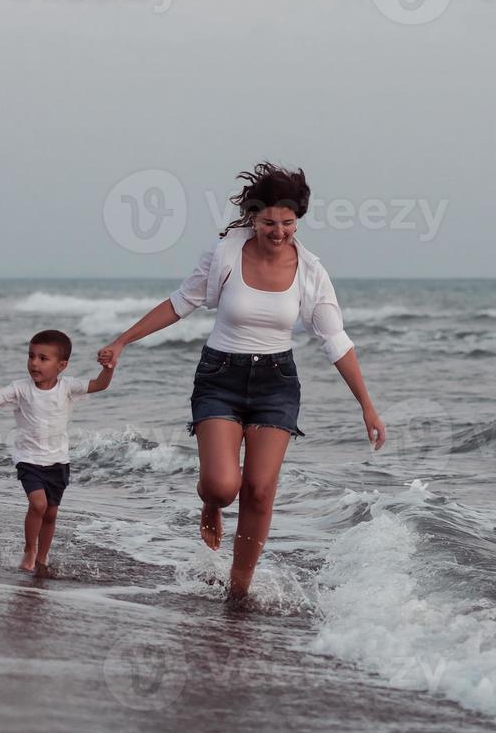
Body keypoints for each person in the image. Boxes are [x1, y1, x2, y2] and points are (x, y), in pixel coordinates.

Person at [97, 162, 386, 601]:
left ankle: (238, 590)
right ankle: (210, 504)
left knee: (259, 490)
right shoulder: (225, 254)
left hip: (277, 383)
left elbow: (336, 341)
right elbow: (180, 303)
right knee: (223, 486)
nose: (278, 231)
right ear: (253, 216)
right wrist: (122, 341)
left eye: (288, 223)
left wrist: (367, 404)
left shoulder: (310, 272)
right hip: (220, 377)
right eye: (269, 221)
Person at [0, 329, 116, 573]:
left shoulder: (67, 387)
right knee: (38, 505)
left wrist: (108, 369)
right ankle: (29, 550)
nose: (34, 363)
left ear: (61, 365)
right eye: (31, 356)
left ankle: (43, 557)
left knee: (51, 514)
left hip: (58, 461)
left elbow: (99, 385)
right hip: (28, 460)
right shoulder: (21, 388)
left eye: (43, 358)